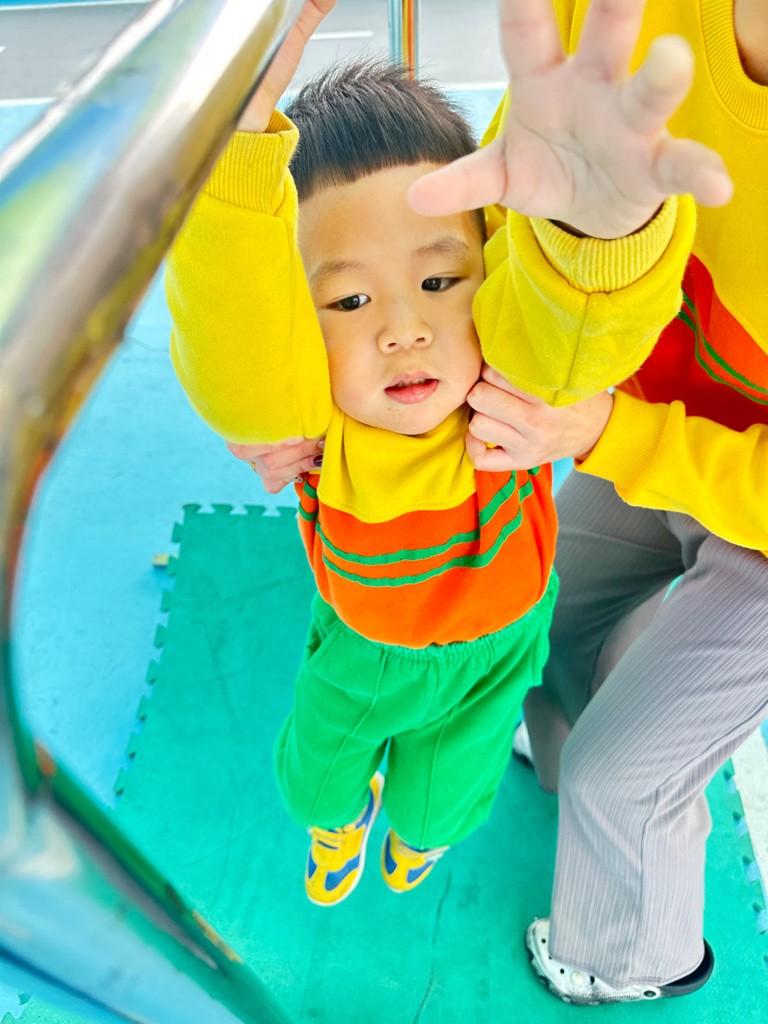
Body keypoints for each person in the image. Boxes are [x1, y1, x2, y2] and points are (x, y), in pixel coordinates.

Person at [166, 0, 680, 912]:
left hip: (499, 649)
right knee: (317, 782)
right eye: (348, 302)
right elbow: (240, 340)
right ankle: (341, 824)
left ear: (490, 269)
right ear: (301, 325)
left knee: (443, 802)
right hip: (367, 652)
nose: (403, 330)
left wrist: (594, 220)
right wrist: (232, 145)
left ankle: (416, 833)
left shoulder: (508, 386)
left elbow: (572, 325)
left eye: (439, 280)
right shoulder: (319, 418)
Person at [407, 0, 766, 1008]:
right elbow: (496, 216)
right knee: (547, 615)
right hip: (646, 418)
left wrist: (607, 432)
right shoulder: (628, 20)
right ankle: (561, 750)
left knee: (624, 773)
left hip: (712, 487)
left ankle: (628, 958)